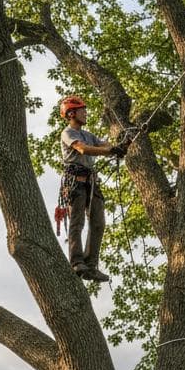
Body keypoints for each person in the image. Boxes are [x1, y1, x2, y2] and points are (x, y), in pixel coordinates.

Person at [58, 95, 126, 282]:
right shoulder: (68, 133)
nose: (85, 113)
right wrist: (109, 151)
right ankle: (77, 262)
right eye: (82, 111)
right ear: (71, 114)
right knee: (77, 222)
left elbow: (104, 144)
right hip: (75, 182)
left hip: (91, 182)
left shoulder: (89, 135)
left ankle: (91, 265)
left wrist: (120, 146)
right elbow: (83, 149)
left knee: (98, 223)